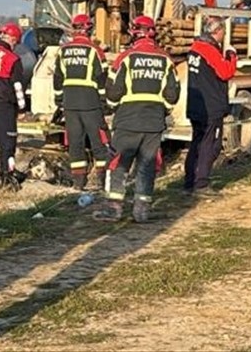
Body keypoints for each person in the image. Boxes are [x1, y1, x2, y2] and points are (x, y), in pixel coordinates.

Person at [96, 15, 179, 223]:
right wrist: (163, 111)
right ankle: (141, 211)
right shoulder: (166, 60)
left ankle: (113, 209)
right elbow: (173, 95)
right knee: (147, 166)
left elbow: (113, 93)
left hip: (127, 121)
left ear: (135, 33)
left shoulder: (126, 58)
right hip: (153, 123)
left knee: (118, 164)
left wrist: (116, 108)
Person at [52, 14, 112, 190]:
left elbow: (57, 78)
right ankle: (102, 182)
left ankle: (78, 183)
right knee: (99, 143)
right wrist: (104, 102)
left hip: (70, 105)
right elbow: (102, 78)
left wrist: (59, 100)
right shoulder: (95, 51)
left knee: (75, 144)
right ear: (89, 29)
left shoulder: (63, 51)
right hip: (91, 103)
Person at [183, 17, 238, 196]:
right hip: (210, 107)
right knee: (211, 145)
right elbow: (226, 72)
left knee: (196, 142)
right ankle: (202, 183)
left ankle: (189, 181)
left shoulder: (194, 49)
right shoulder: (209, 51)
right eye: (223, 32)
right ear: (217, 31)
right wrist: (231, 56)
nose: (224, 36)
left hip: (195, 105)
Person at [0, 23, 26, 190]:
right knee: (8, 144)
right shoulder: (12, 59)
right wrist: (22, 108)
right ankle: (7, 179)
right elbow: (17, 86)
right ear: (13, 39)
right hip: (4, 107)